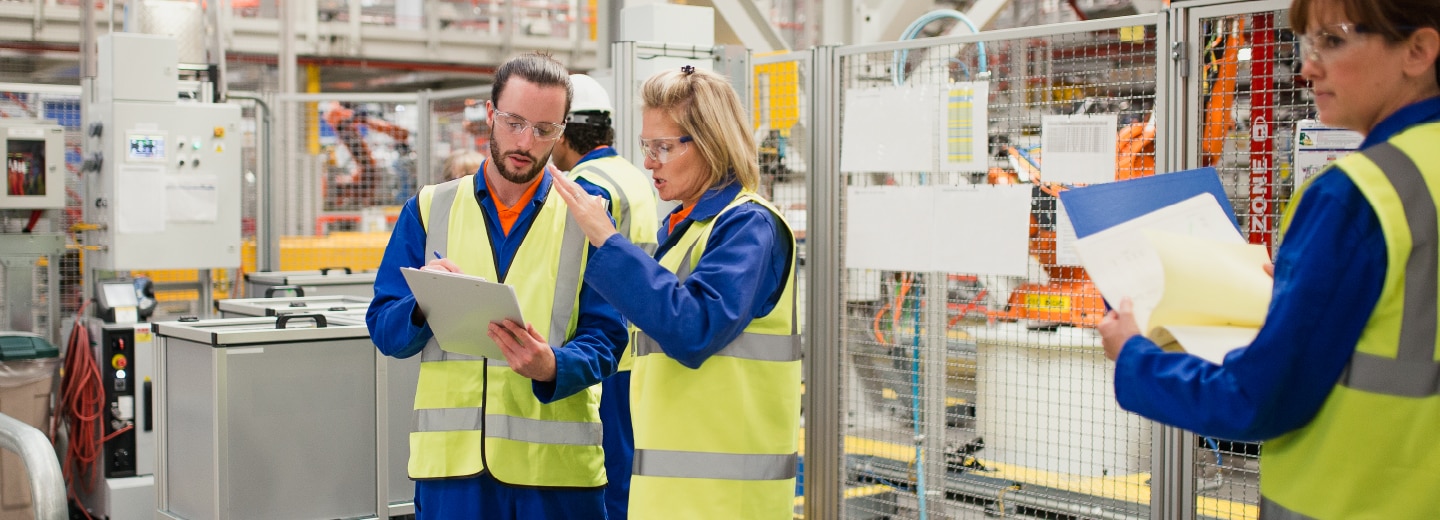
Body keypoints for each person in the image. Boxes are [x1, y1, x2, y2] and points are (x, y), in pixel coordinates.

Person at [1097, 0, 1440, 518]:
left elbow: (1253, 399)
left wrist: (1135, 357)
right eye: (1308, 43)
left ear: (1417, 50)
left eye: (1335, 39)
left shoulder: (1355, 196)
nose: (1307, 67)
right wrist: (1311, 291)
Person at [365, 53, 627, 519]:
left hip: (555, 479)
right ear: (490, 114)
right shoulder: (429, 209)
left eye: (545, 129)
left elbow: (608, 338)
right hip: (454, 478)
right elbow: (384, 328)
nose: (526, 141)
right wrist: (422, 305)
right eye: (514, 123)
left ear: (562, 131)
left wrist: (553, 366)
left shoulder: (586, 217)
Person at [553, 65, 801, 520]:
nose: (649, 162)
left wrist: (609, 243)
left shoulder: (749, 226)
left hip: (728, 503)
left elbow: (693, 328)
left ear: (711, 143)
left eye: (663, 147)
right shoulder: (689, 231)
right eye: (647, 146)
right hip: (676, 500)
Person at [552, 72, 660, 520]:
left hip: (607, 356)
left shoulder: (584, 185)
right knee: (629, 470)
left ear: (563, 132)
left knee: (609, 476)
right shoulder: (632, 176)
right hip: (639, 351)